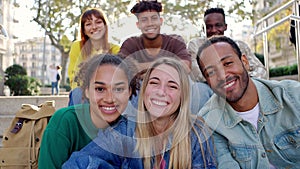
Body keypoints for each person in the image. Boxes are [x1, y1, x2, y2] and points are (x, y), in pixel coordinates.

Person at [62, 57, 217, 169]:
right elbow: (79, 163)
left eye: (172, 86)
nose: (161, 92)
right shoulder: (125, 130)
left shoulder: (197, 133)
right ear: (144, 90)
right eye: (154, 83)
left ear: (183, 96)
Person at [196, 35, 300, 169]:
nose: (222, 75)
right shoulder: (208, 122)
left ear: (244, 62)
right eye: (211, 72)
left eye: (227, 63)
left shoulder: (293, 96)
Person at [38, 54, 138, 168]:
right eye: (100, 89)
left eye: (119, 89)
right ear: (86, 91)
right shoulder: (65, 122)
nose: (110, 99)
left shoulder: (132, 129)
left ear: (129, 92)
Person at [188, 7, 267, 82]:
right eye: (209, 27)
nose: (214, 30)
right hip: (211, 89)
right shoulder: (195, 45)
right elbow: (197, 74)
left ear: (225, 27)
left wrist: (242, 81)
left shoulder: (240, 45)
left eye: (218, 25)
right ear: (203, 29)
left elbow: (261, 70)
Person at [68, 8, 120, 106]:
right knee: (77, 93)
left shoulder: (115, 49)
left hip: (109, 90)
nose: (94, 27)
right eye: (88, 24)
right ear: (83, 30)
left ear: (105, 25)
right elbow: (74, 76)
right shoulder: (77, 47)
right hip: (84, 89)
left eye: (98, 22)